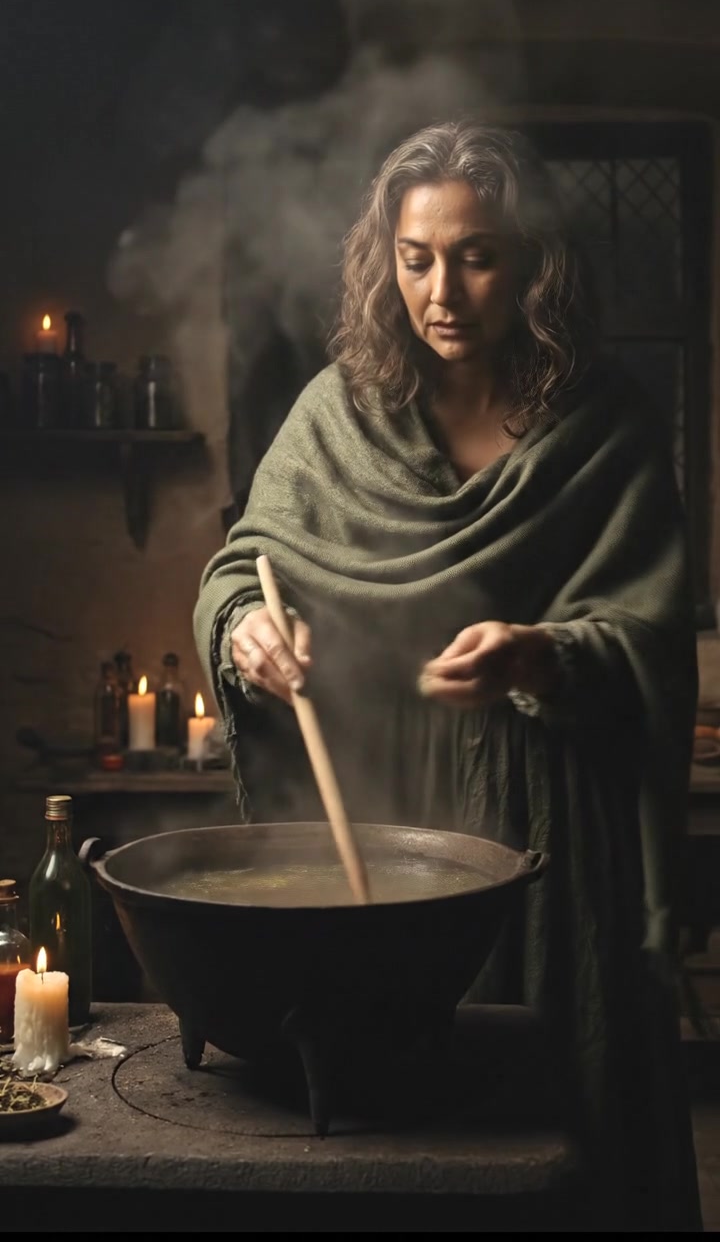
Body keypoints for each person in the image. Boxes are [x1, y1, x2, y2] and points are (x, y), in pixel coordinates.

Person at [193, 119, 702, 1230]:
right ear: (387, 261)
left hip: (555, 829)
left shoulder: (606, 424)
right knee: (398, 1135)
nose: (444, 289)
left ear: (531, 260)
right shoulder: (340, 413)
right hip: (384, 817)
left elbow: (654, 640)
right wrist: (244, 627)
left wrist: (546, 652)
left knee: (564, 1114)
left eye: (476, 254)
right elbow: (246, 563)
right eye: (417, 257)